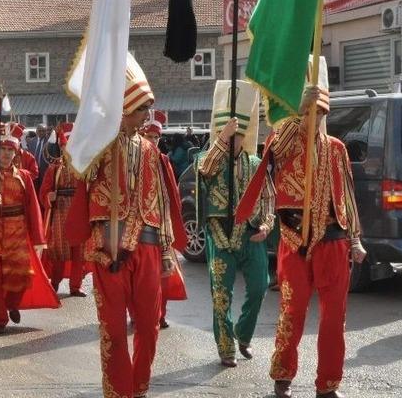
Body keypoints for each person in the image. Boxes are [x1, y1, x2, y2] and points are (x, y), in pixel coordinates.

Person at [236, 75, 366, 398]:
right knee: (292, 312)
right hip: (294, 240)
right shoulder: (286, 138)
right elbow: (274, 151)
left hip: (333, 241)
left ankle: (328, 384)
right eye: (310, 111)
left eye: (321, 112)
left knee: (334, 317)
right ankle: (282, 376)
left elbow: (347, 194)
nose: (315, 118)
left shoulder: (337, 149)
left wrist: (356, 239)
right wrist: (299, 110)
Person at [66, 63, 186, 398]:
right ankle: (119, 391)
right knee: (114, 330)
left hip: (147, 246)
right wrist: (95, 128)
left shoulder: (151, 150)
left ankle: (139, 386)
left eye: (147, 109)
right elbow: (74, 164)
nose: (146, 117)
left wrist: (165, 252)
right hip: (108, 247)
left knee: (148, 327)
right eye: (140, 110)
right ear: (123, 109)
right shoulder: (100, 144)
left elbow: (160, 202)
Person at [195, 80, 275, 368]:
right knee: (221, 295)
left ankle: (243, 333)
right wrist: (221, 139)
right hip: (219, 233)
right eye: (229, 134)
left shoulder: (255, 163)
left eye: (238, 135)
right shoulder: (208, 157)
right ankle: (226, 348)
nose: (233, 140)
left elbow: (268, 198)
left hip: (250, 233)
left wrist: (266, 225)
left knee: (259, 287)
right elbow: (204, 170)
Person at [0, 121, 60, 333]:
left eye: (9, 150)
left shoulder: (23, 177)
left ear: (16, 153)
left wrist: (39, 237)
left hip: (17, 230)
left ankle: (13, 304)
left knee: (20, 274)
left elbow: (32, 207)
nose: (6, 154)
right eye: (2, 149)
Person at [139, 111, 188, 329]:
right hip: (139, 224)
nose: (153, 141)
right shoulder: (134, 158)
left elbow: (171, 191)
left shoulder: (163, 159)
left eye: (156, 138)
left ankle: (161, 314)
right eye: (149, 137)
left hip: (161, 222)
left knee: (165, 274)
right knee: (142, 276)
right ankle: (138, 312)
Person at [39, 123, 87, 297]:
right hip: (60, 211)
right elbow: (43, 191)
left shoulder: (83, 168)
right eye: (67, 146)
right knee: (58, 250)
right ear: (62, 147)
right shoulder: (54, 168)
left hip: (78, 211)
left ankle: (76, 286)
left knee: (78, 250)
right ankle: (55, 281)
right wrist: (48, 196)